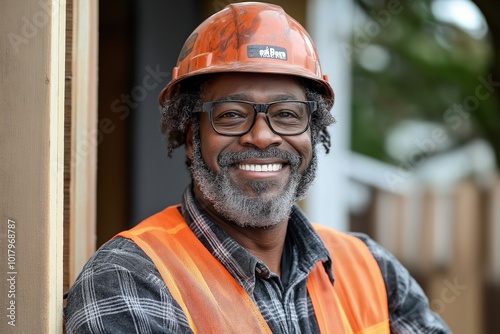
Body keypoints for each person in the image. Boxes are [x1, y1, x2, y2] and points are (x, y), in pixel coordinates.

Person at [64, 2, 450, 333]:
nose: (263, 137)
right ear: (190, 133)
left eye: (286, 114)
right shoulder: (130, 279)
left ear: (313, 133)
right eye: (231, 115)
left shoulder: (372, 270)